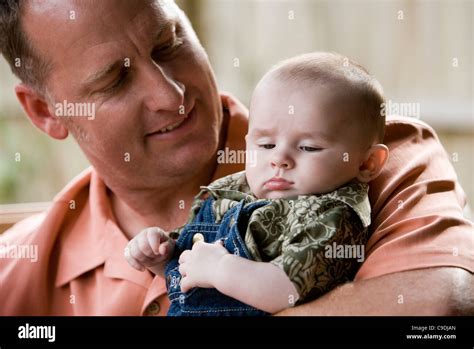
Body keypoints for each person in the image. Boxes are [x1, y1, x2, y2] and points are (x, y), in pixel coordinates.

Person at [0, 0, 472, 316]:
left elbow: (433, 309)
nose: (171, 93)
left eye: (169, 44)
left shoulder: (367, 160)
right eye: (114, 81)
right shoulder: (18, 272)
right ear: (45, 111)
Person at [125, 52, 390, 316]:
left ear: (367, 163)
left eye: (309, 147)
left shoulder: (333, 218)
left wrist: (220, 269)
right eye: (266, 145)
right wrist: (164, 257)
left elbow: (284, 290)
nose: (279, 159)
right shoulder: (228, 193)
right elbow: (189, 276)